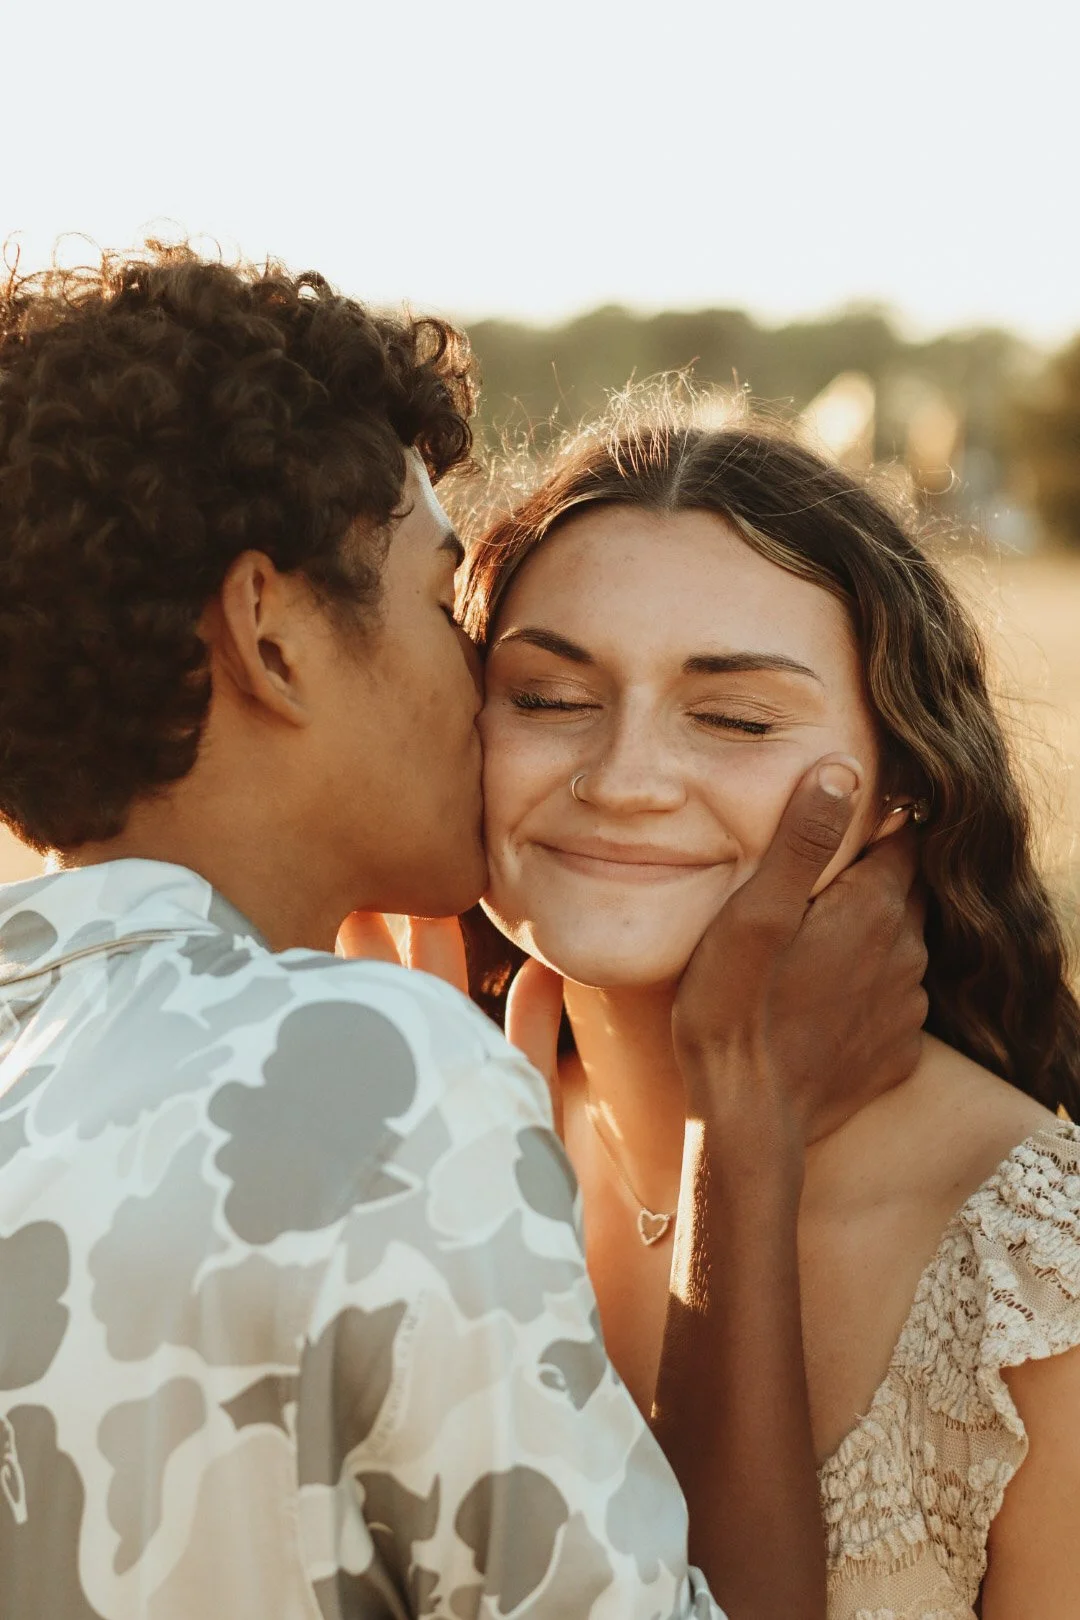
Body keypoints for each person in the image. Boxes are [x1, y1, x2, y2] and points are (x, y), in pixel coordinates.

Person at [0, 245, 926, 1620]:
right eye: (445, 604)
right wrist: (745, 1128)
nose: (477, 670)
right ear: (272, 637)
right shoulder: (374, 1071)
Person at [458, 399, 1080, 1620]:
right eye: (545, 697)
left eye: (735, 718)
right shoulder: (435, 1124)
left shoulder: (1032, 1276)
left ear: (901, 783)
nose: (624, 780)